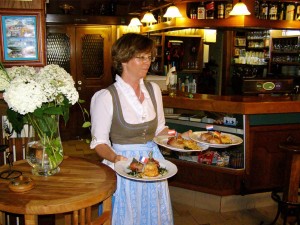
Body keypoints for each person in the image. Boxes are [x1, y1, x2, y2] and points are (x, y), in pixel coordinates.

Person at [90, 33, 174, 225]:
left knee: (154, 214)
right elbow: (99, 143)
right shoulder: (105, 97)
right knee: (128, 214)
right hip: (124, 165)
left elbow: (160, 129)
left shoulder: (154, 90)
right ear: (124, 59)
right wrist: (115, 158)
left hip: (154, 164)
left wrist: (179, 137)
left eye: (149, 57)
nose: (147, 63)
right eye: (141, 57)